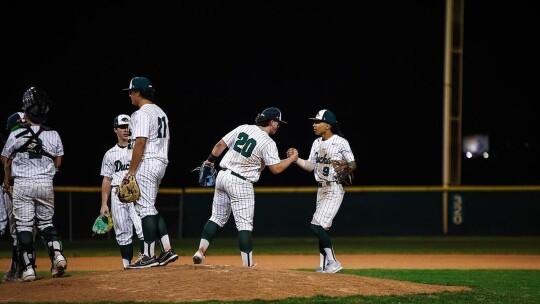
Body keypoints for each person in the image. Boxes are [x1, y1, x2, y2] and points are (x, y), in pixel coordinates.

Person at [192, 107, 298, 267]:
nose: (278, 126)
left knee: (216, 217)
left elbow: (220, 145)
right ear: (271, 122)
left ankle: (200, 251)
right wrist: (292, 159)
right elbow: (276, 169)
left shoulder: (244, 128)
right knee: (244, 225)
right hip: (240, 182)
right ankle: (248, 266)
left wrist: (209, 161)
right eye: (277, 122)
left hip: (223, 175)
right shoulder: (268, 142)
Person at [1, 87, 67, 282]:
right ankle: (58, 256)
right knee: (46, 223)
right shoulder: (54, 134)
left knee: (24, 227)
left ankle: (28, 269)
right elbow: (58, 161)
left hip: (22, 183)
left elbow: (6, 160)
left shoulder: (15, 134)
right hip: (45, 183)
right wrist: (48, 174)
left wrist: (7, 178)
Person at [287, 109, 356, 273]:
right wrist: (295, 159)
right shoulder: (316, 143)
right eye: (314, 122)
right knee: (322, 228)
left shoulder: (340, 142)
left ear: (328, 125)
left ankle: (334, 262)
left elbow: (353, 163)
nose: (314, 125)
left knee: (316, 225)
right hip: (321, 189)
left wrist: (347, 167)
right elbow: (311, 166)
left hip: (333, 188)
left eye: (318, 122)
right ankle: (324, 265)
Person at [122, 76, 178, 269]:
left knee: (145, 210)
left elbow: (140, 142)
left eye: (131, 92)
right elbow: (168, 142)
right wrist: (161, 162)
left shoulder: (141, 114)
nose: (129, 95)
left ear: (138, 92)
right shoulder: (161, 112)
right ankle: (167, 250)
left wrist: (130, 171)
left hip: (147, 163)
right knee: (151, 208)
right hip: (161, 161)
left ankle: (147, 255)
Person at [99, 114, 145, 269]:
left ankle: (146, 259)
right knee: (122, 233)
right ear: (115, 130)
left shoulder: (138, 147)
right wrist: (104, 205)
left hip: (136, 192)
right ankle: (127, 266)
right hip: (117, 194)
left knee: (142, 229)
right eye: (122, 127)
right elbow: (107, 180)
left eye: (128, 127)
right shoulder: (110, 154)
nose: (126, 130)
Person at [1, 112, 26, 282]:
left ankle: (14, 270)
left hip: (13, 189)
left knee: (19, 231)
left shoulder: (15, 143)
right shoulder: (9, 144)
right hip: (6, 190)